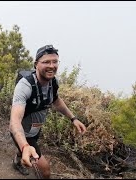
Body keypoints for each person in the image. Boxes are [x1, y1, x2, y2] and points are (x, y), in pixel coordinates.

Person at [9, 44, 87, 179]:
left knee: (25, 150)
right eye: (46, 62)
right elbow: (14, 122)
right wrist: (25, 145)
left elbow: (56, 100)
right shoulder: (25, 86)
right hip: (23, 132)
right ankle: (23, 152)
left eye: (55, 61)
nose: (52, 66)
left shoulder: (52, 82)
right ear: (36, 64)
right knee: (45, 171)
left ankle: (17, 161)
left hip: (36, 129)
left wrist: (73, 118)